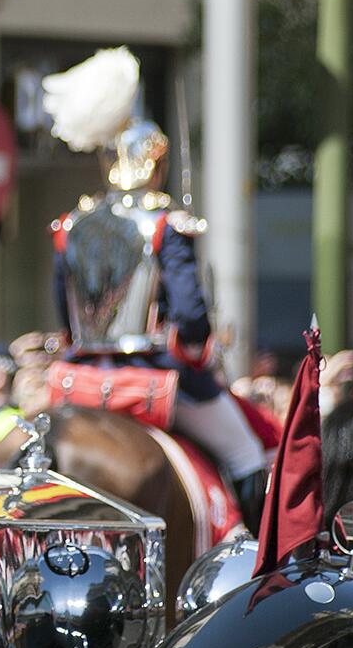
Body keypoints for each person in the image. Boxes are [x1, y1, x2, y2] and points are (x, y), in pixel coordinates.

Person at [42, 47, 269, 530]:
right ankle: (256, 561)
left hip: (80, 376)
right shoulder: (164, 224)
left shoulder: (72, 224)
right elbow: (189, 313)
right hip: (152, 373)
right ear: (156, 164)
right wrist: (194, 347)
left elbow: (62, 308)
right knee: (247, 452)